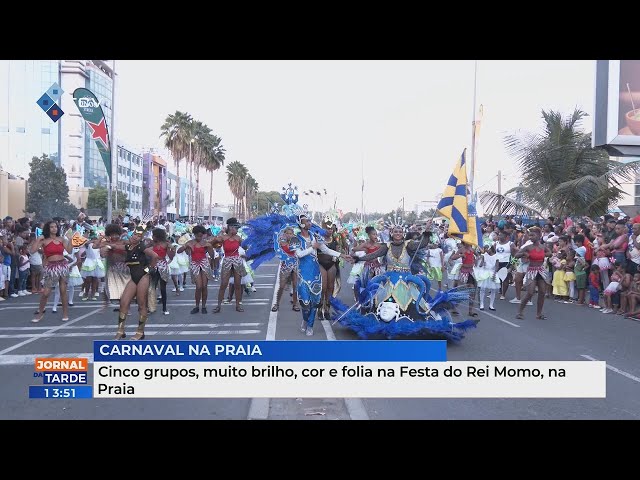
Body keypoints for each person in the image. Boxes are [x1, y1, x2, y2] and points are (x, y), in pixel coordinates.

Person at [293, 214, 346, 336]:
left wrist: (341, 255)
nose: (309, 223)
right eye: (307, 221)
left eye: (310, 221)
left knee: (315, 302)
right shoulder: (295, 239)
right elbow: (299, 255)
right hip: (303, 275)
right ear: (301, 224)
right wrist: (313, 247)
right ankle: (305, 320)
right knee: (305, 304)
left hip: (315, 274)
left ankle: (310, 326)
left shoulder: (315, 237)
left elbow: (326, 250)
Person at [115, 225, 159, 340]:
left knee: (141, 304)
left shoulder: (141, 247)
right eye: (135, 234)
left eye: (139, 236)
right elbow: (116, 246)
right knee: (124, 302)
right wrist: (107, 245)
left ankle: (140, 332)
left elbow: (155, 256)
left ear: (141, 238)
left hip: (143, 276)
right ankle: (120, 331)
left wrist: (148, 270)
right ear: (132, 234)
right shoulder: (128, 246)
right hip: (133, 277)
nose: (135, 237)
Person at [30, 220, 79, 323]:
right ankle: (40, 313)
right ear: (48, 228)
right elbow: (32, 251)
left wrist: (70, 240)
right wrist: (38, 239)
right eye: (52, 227)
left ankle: (65, 314)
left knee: (63, 291)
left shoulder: (61, 239)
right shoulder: (44, 240)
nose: (54, 229)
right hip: (51, 268)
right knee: (46, 292)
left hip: (62, 266)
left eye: (55, 227)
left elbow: (69, 251)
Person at [514, 227, 552, 320]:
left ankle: (539, 314)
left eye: (532, 235)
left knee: (542, 292)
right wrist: (524, 254)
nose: (530, 237)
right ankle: (520, 312)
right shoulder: (528, 247)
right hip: (531, 270)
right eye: (530, 235)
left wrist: (546, 254)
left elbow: (550, 253)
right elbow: (516, 255)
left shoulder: (543, 247)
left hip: (541, 270)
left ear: (539, 236)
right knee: (530, 292)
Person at [211, 218, 247, 314]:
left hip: (237, 261)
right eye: (235, 227)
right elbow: (214, 244)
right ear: (230, 228)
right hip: (227, 260)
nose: (236, 229)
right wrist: (218, 236)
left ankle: (238, 305)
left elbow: (245, 247)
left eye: (237, 228)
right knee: (223, 284)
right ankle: (218, 305)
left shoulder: (238, 238)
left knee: (237, 284)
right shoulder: (223, 238)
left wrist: (246, 242)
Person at [177, 225, 214, 314]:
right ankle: (197, 306)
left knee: (204, 286)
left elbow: (212, 256)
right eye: (197, 236)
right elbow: (179, 251)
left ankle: (204, 306)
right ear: (194, 234)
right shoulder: (190, 242)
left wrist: (209, 247)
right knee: (199, 286)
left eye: (201, 236)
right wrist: (186, 246)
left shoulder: (206, 243)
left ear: (203, 235)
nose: (199, 237)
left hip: (204, 264)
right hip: (194, 264)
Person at [271, 226, 299, 312]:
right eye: (287, 233)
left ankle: (295, 304)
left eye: (291, 233)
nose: (289, 235)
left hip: (295, 265)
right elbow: (277, 250)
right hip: (285, 266)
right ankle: (276, 304)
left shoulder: (296, 242)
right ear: (285, 234)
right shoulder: (281, 242)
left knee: (295, 285)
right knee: (282, 286)